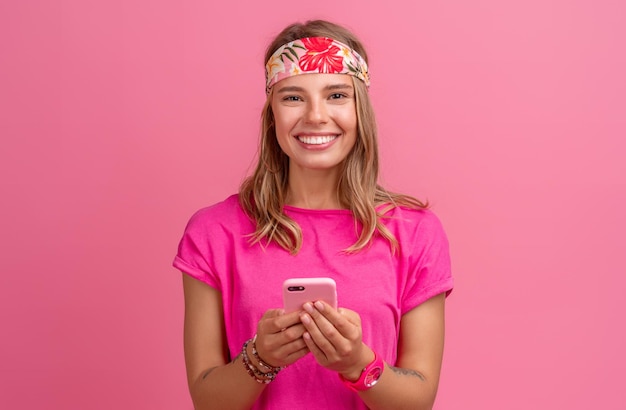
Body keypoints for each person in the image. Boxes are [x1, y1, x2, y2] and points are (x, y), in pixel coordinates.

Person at [173, 19, 454, 410]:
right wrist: (262, 358)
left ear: (360, 111)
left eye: (337, 95)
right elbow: (208, 401)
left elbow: (418, 400)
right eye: (292, 97)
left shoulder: (414, 232)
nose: (316, 116)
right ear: (272, 115)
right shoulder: (212, 232)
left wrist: (357, 363)